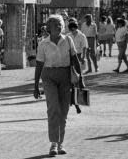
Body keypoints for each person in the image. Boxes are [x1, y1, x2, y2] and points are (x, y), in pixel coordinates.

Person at [34, 15, 84, 156]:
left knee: (63, 111)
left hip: (65, 77)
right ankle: (53, 143)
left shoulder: (68, 40)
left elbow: (75, 60)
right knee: (53, 109)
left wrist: (81, 79)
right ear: (49, 28)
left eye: (60, 24)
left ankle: (60, 143)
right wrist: (36, 85)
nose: (59, 26)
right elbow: (39, 65)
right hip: (49, 77)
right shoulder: (43, 43)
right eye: (55, 24)